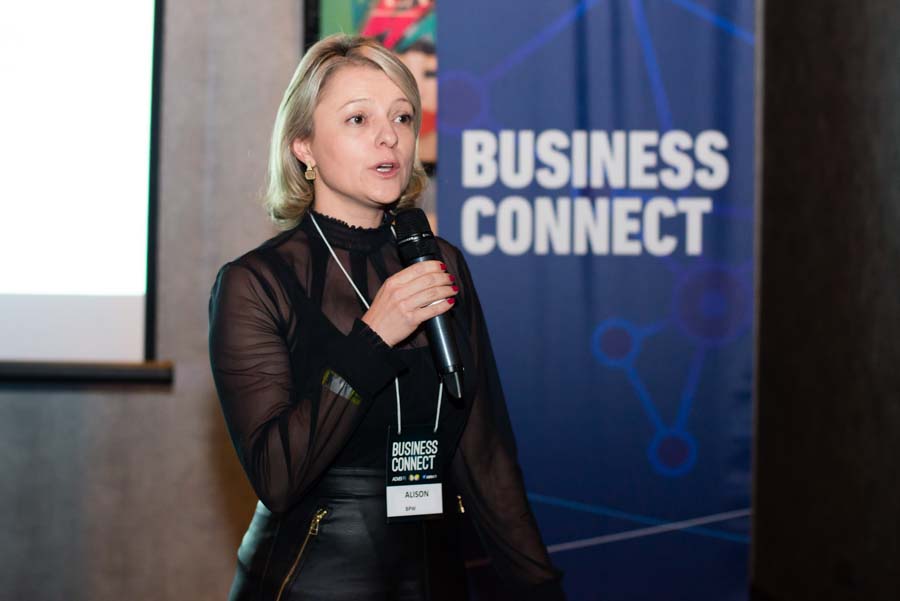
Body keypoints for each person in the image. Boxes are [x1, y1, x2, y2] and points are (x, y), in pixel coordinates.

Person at [208, 34, 565, 601]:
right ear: (304, 146)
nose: (389, 136)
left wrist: (541, 589)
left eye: (402, 116)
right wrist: (374, 338)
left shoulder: (440, 262)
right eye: (358, 119)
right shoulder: (255, 283)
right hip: (311, 582)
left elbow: (486, 457)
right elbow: (277, 477)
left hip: (435, 577)